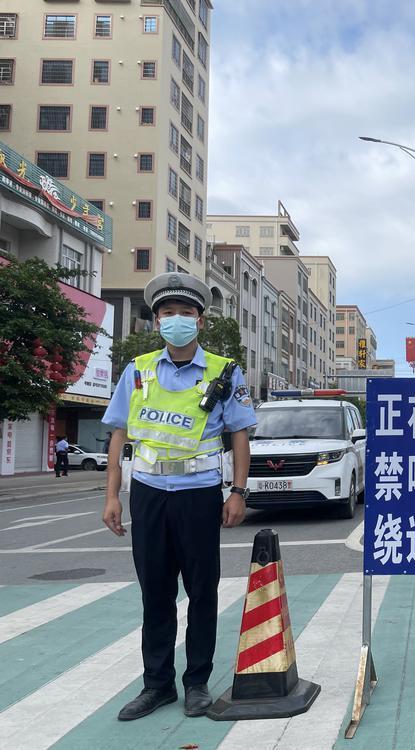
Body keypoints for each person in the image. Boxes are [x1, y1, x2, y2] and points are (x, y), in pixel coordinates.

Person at [101, 272, 257, 721]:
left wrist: (238, 492)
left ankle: (197, 683)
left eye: (186, 314)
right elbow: (119, 436)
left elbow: (239, 436)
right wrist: (112, 495)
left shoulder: (224, 371)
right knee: (155, 592)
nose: (176, 321)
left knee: (202, 591)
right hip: (148, 493)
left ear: (200, 321)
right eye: (167, 314)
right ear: (156, 323)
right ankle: (157, 685)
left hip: (199, 494)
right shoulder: (138, 369)